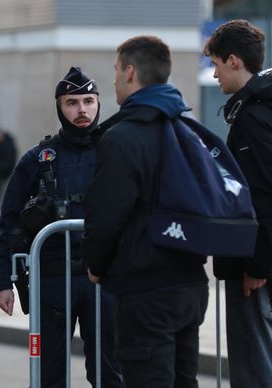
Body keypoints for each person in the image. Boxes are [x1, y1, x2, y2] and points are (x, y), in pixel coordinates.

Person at [82, 36, 209, 387]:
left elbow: (106, 215)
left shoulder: (123, 136)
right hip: (191, 282)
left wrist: (95, 264)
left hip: (147, 288)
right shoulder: (186, 127)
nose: (114, 79)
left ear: (131, 72)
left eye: (116, 70)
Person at [0, 67, 123, 387]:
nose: (82, 110)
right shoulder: (38, 159)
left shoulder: (117, 151)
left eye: (89, 101)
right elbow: (9, 223)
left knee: (110, 372)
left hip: (104, 280)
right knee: (49, 374)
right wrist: (2, 282)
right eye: (73, 102)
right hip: (52, 281)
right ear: (60, 107)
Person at [204, 19, 272, 388]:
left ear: (234, 61)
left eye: (217, 64)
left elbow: (268, 196)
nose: (215, 74)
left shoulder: (254, 116)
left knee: (256, 368)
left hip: (261, 261)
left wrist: (257, 265)